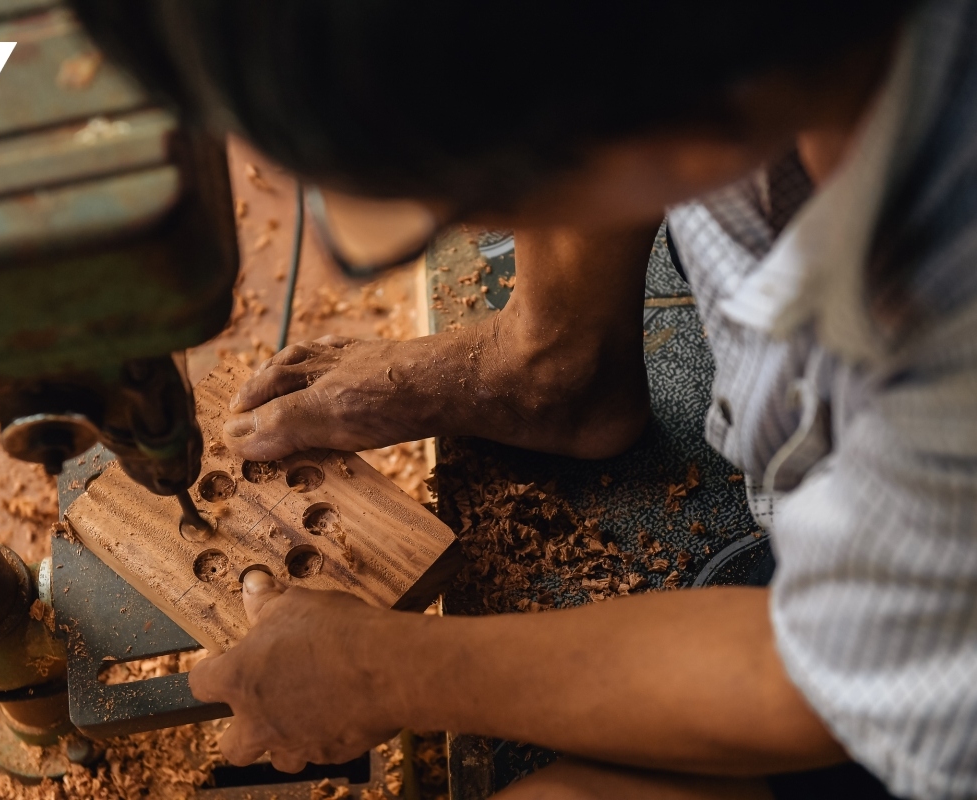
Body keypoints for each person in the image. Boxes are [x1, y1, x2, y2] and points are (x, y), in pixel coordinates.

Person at [69, 1, 977, 797]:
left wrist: (385, 673)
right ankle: (561, 363)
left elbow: (839, 679)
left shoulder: (945, 332)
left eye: (462, 197)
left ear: (671, 132)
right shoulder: (718, 54)